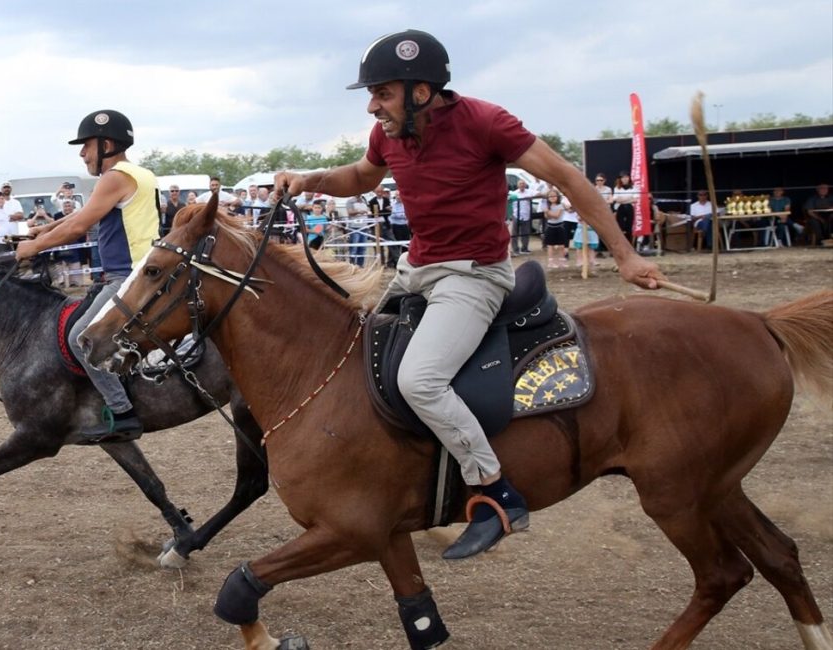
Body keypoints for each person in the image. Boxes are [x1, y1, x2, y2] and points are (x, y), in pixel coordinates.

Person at [274, 29, 663, 560]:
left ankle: (497, 493)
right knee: (354, 360)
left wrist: (625, 255)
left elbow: (568, 179)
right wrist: (308, 178)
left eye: (382, 93)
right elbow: (363, 177)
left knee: (420, 379)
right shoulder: (387, 134)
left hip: (473, 277)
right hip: (415, 270)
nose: (372, 106)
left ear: (421, 91)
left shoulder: (487, 122)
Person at [15, 109, 159, 440]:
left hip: (129, 277)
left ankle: (122, 412)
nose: (82, 154)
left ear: (107, 144)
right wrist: (46, 229)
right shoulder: (138, 175)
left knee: (82, 338)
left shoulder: (114, 177)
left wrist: (32, 249)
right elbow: (85, 214)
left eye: (86, 146)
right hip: (140, 272)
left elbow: (79, 226)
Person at [542, 189, 568, 268]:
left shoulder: (560, 205)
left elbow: (557, 216)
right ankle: (551, 262)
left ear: (557, 197)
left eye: (554, 196)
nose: (552, 197)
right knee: (550, 245)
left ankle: (562, 261)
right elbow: (546, 217)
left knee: (561, 245)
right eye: (550, 196)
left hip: (559, 226)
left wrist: (548, 212)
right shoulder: (548, 206)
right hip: (550, 226)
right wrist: (547, 212)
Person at [386, 191, 411, 266]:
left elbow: (407, 214)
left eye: (399, 195)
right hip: (395, 225)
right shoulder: (392, 204)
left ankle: (405, 261)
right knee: (395, 244)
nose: (398, 197)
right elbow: (393, 215)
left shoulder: (406, 204)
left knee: (405, 244)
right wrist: (402, 215)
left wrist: (400, 215)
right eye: (396, 195)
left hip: (405, 225)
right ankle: (393, 262)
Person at [612, 171, 637, 245]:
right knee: (620, 227)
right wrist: (629, 199)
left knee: (629, 227)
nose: (625, 179)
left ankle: (629, 245)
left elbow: (635, 199)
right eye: (623, 177)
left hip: (629, 208)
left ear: (629, 178)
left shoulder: (634, 187)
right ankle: (621, 244)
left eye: (626, 177)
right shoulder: (617, 188)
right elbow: (616, 199)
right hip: (620, 208)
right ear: (620, 179)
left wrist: (622, 200)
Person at [509, 178, 533, 255]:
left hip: (526, 215)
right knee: (514, 234)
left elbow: (539, 194)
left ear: (525, 185)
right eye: (520, 183)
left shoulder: (529, 192)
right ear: (517, 185)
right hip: (516, 215)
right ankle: (515, 250)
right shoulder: (514, 193)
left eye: (523, 183)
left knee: (526, 233)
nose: (522, 185)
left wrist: (531, 197)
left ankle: (524, 249)